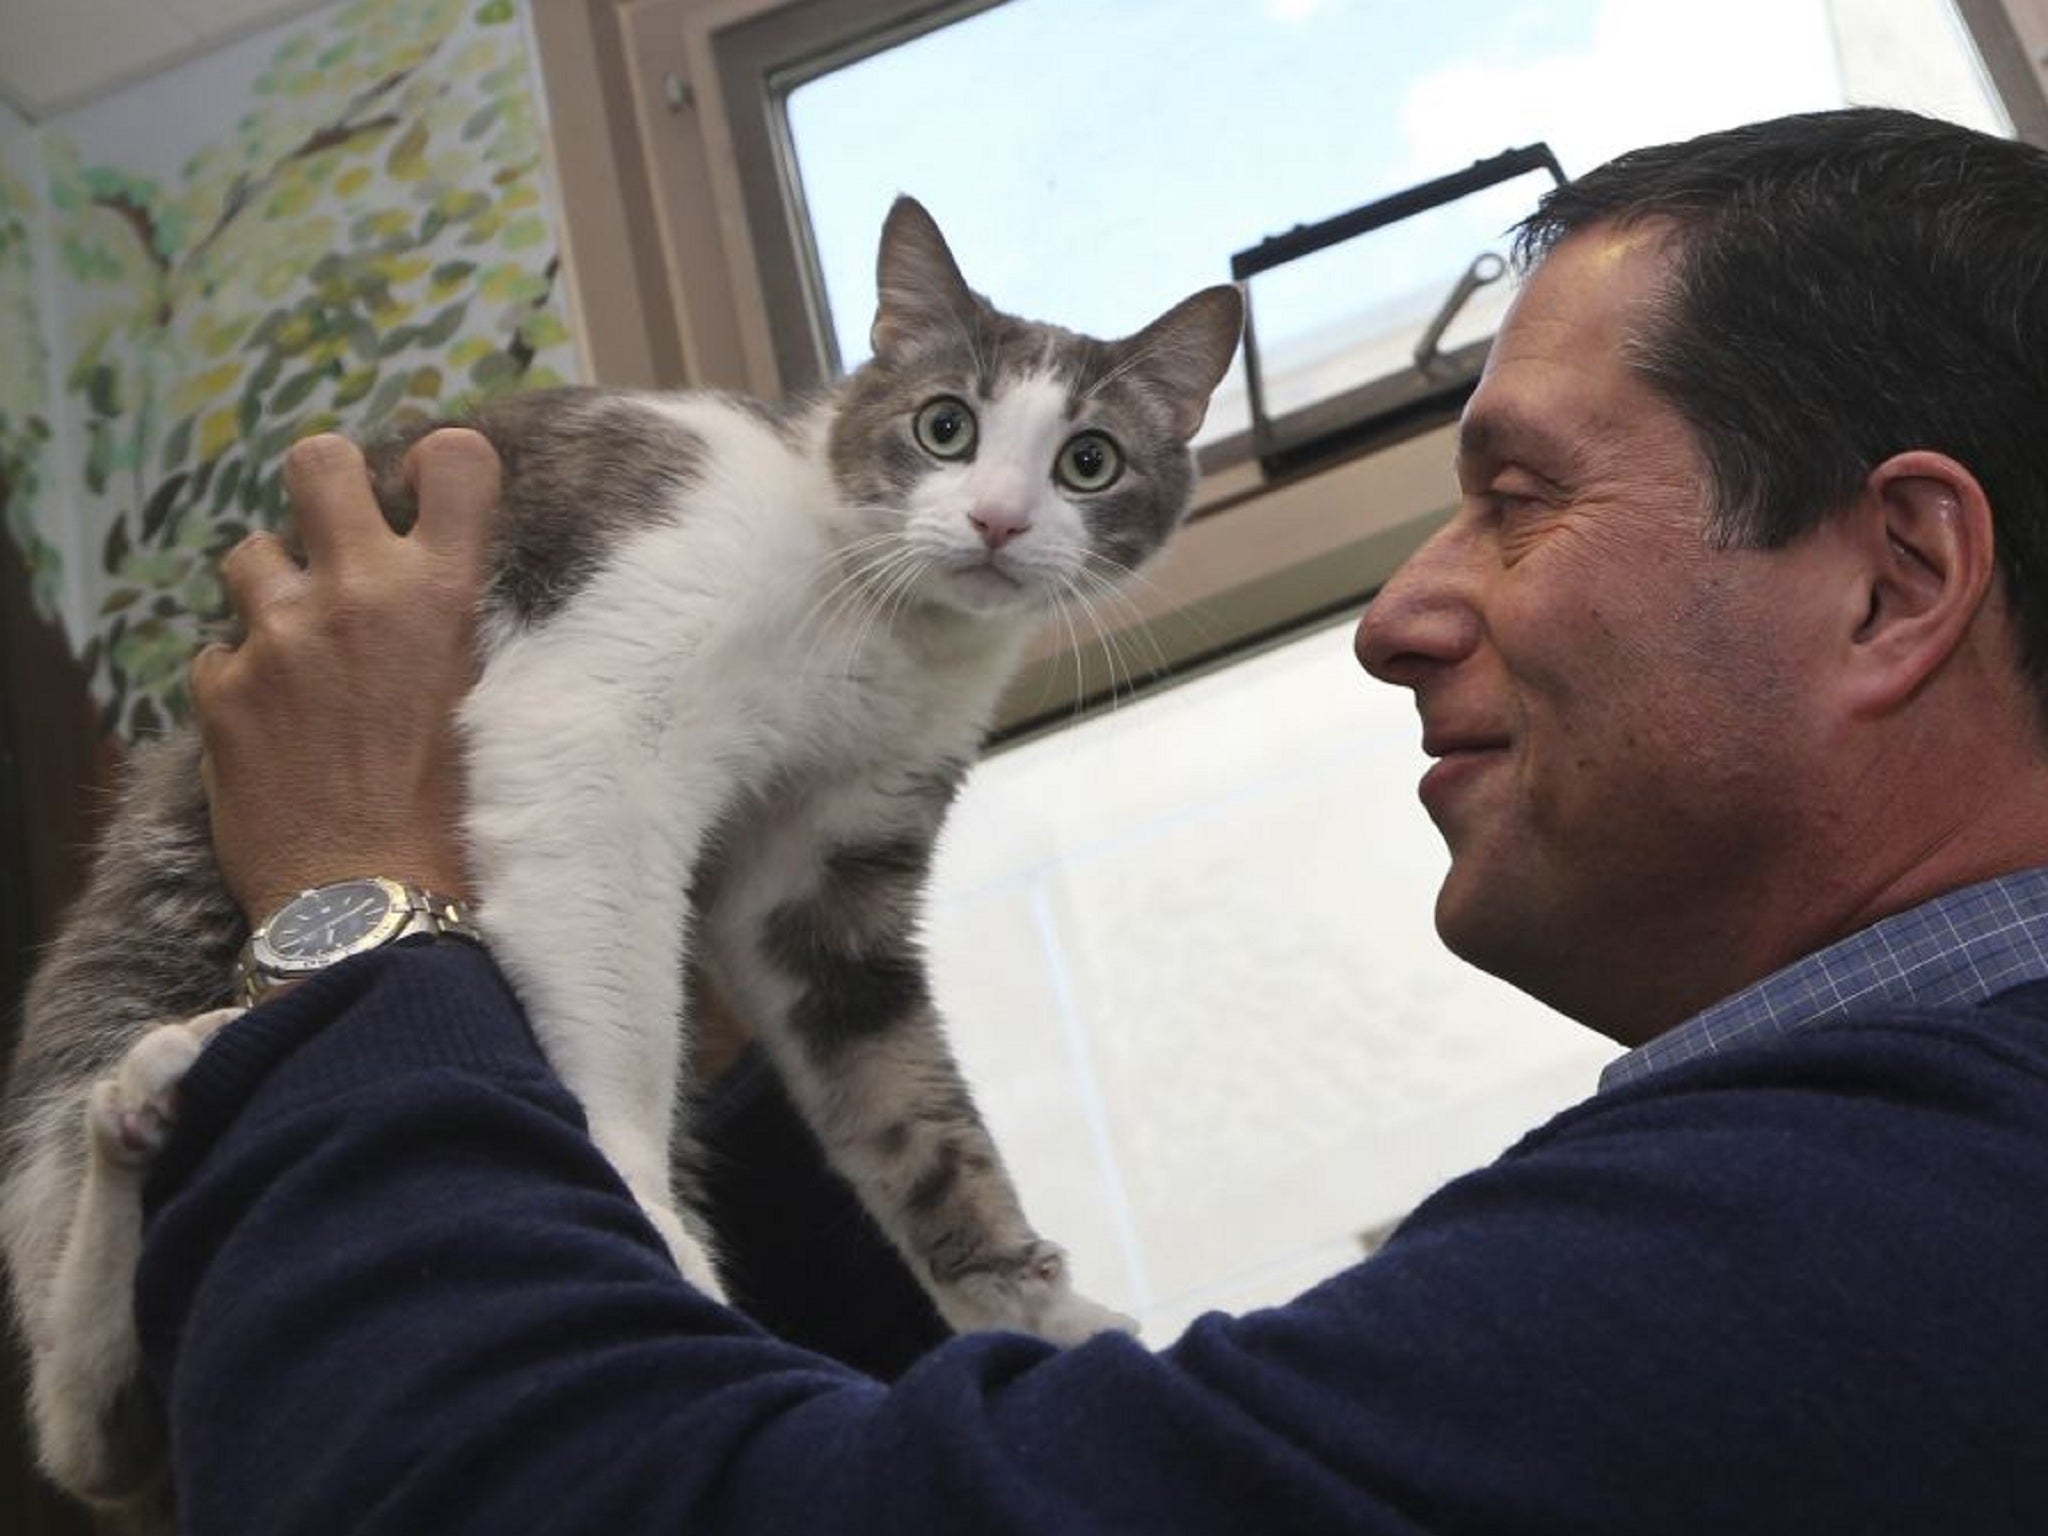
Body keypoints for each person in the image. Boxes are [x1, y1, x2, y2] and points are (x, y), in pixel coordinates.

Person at [144, 106, 2048, 1533]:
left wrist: (350, 902)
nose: (1392, 616)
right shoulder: (1890, 1177)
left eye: (1519, 496)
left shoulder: (1833, 1240)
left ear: (1896, 579)